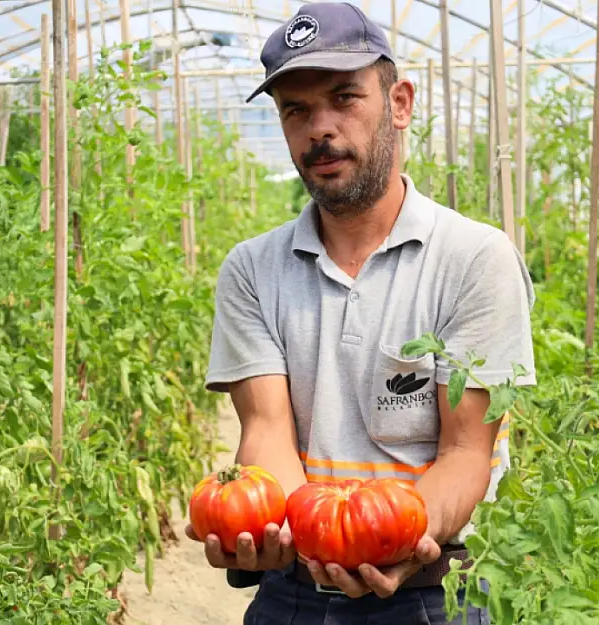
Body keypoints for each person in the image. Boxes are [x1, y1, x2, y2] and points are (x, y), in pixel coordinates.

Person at [188, 3, 536, 623]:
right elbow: (266, 431)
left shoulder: (474, 259)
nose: (320, 128)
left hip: (435, 592)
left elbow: (465, 453)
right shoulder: (251, 269)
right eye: (296, 109)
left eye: (344, 97)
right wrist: (315, 541)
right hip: (293, 593)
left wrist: (393, 539)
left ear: (399, 103)